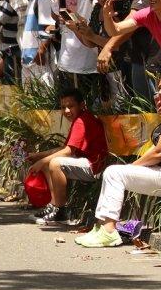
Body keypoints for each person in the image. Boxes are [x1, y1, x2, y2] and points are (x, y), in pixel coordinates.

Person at [75, 71, 161, 247]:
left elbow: (160, 152)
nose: (160, 93)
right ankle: (101, 226)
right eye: (159, 88)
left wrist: (133, 166)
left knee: (114, 172)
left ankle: (109, 231)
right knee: (113, 172)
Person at [27, 87, 108, 225]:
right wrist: (38, 156)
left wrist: (41, 161)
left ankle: (61, 212)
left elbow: (68, 151)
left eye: (71, 106)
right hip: (85, 161)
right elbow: (65, 148)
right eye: (63, 107)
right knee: (48, 163)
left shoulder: (81, 121)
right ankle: (53, 205)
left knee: (55, 163)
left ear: (82, 105)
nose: (66, 111)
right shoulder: (80, 118)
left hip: (94, 166)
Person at [55, 0, 99, 92]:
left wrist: (74, 25)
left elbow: (91, 40)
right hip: (73, 58)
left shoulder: (98, 0)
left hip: (88, 61)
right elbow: (64, 12)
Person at [17, 0, 56, 84]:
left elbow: (51, 26)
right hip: (28, 59)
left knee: (43, 94)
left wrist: (41, 50)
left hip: (39, 60)